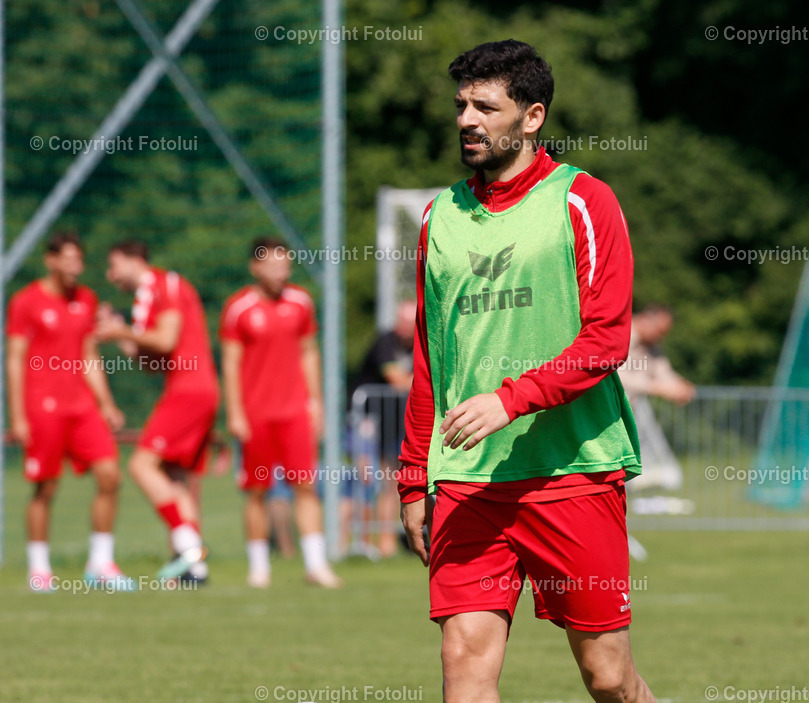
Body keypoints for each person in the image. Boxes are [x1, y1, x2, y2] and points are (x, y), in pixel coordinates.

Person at [397, 40, 656, 702]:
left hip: (573, 471)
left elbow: (606, 341)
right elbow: (431, 357)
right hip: (468, 482)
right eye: (460, 105)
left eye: (486, 105)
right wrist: (411, 478)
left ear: (532, 116)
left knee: (608, 675)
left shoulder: (583, 202)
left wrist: (510, 400)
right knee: (465, 666)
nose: (466, 119)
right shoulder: (438, 217)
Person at [5, 231, 134, 592]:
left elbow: (88, 355)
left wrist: (106, 402)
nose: (73, 265)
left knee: (110, 474)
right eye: (67, 258)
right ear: (50, 260)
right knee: (46, 487)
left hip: (81, 406)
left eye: (78, 259)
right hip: (42, 406)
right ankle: (39, 569)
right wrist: (17, 415)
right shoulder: (26, 301)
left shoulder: (86, 300)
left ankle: (101, 563)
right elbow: (15, 360)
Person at [95, 241, 218, 583]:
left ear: (135, 261)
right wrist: (121, 334)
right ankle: (195, 569)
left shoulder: (165, 284)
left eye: (114, 265)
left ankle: (191, 547)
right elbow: (152, 362)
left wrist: (120, 331)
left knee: (140, 464)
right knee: (174, 478)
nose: (110, 275)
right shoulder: (144, 301)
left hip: (190, 389)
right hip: (191, 388)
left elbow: (165, 340)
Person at [220, 238, 340, 588]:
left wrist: (316, 402)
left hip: (295, 413)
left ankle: (316, 565)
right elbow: (230, 363)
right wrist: (236, 412)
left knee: (306, 486)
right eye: (272, 265)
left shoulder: (300, 302)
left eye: (285, 265)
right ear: (255, 267)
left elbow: (308, 353)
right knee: (256, 490)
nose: (280, 271)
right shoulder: (238, 308)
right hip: (256, 414)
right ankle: (259, 568)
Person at [343, 299, 415, 559]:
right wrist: (423, 375)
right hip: (364, 420)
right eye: (402, 321)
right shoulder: (385, 342)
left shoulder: (421, 344)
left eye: (410, 321)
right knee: (363, 481)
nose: (405, 327)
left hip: (393, 423)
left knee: (391, 483)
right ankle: (352, 542)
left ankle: (385, 543)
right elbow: (397, 381)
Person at [618, 304, 696, 492]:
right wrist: (659, 388)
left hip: (630, 413)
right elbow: (616, 375)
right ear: (645, 319)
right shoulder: (621, 335)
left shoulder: (651, 346)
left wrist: (680, 385)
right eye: (659, 331)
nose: (661, 337)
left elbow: (662, 372)